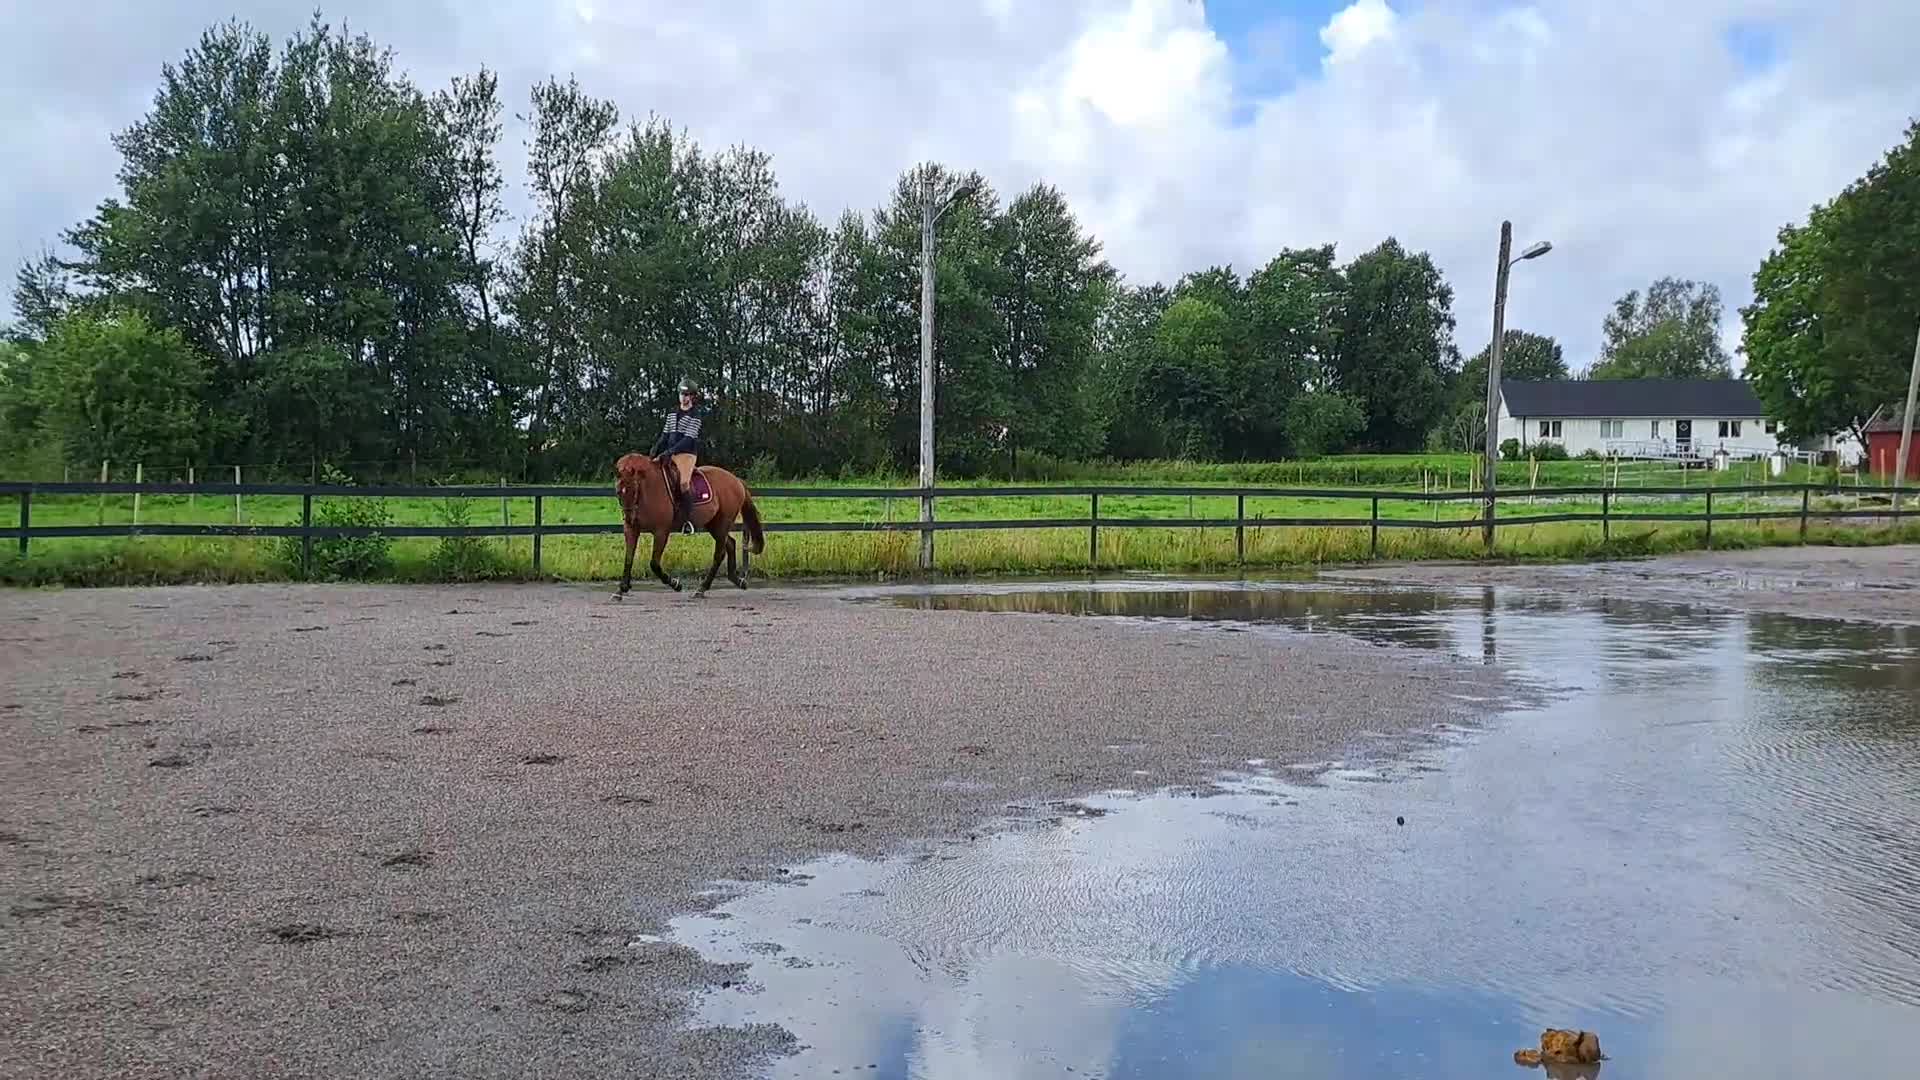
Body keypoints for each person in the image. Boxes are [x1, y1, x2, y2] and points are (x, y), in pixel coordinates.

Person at [650, 379, 709, 533]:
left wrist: (670, 452)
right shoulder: (672, 413)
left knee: (683, 483)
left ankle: (688, 520)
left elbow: (688, 439)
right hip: (670, 452)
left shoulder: (695, 415)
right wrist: (655, 450)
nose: (684, 397)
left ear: (692, 397)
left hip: (686, 454)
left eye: (687, 395)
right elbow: (665, 435)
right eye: (682, 394)